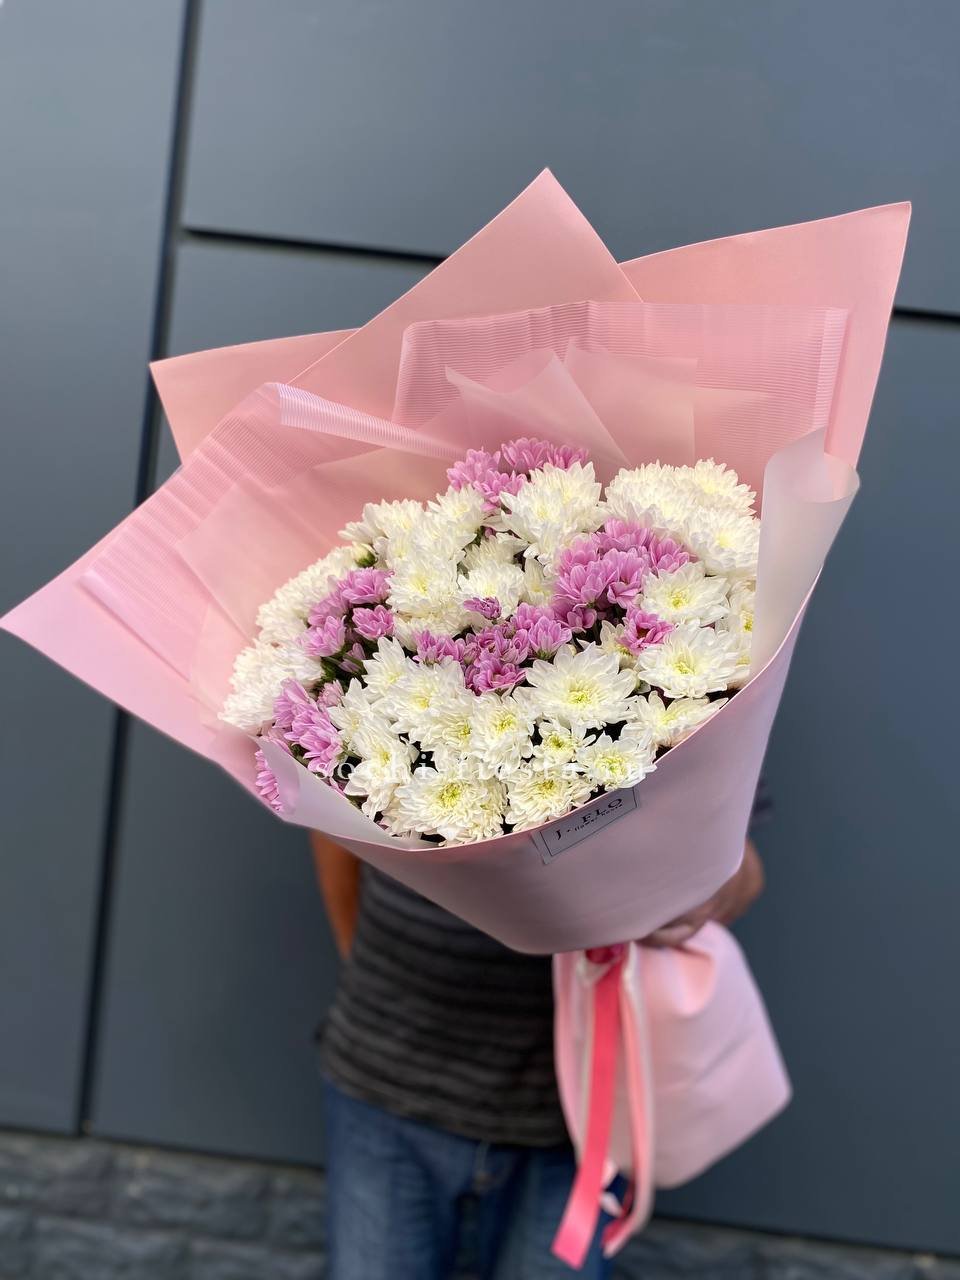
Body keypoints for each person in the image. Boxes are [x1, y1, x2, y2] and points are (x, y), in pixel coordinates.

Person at [312, 806, 767, 1280]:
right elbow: (328, 821)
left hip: (575, 1117)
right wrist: (363, 963)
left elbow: (742, 867)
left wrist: (691, 891)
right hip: (385, 1075)